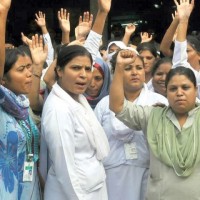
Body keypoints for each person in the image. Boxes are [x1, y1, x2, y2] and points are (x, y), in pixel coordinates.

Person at [109, 49, 200, 199]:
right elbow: (117, 106)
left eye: (185, 87)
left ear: (195, 90)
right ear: (167, 92)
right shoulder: (153, 116)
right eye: (173, 88)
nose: (179, 93)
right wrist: (119, 67)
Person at [95, 52, 168, 200]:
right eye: (127, 68)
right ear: (117, 72)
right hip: (112, 176)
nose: (134, 72)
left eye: (139, 68)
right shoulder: (104, 105)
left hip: (148, 174)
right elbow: (96, 142)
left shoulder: (159, 102)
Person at [41, 45, 110, 200]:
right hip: (73, 193)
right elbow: (64, 166)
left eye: (87, 68)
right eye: (76, 68)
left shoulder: (78, 98)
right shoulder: (58, 109)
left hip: (92, 186)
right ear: (59, 71)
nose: (83, 75)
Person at [0, 2, 46, 197]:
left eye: (29, 68)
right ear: (3, 78)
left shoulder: (22, 105)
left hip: (30, 188)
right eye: (21, 69)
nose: (29, 73)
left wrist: (38, 65)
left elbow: (35, 100)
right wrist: (2, 15)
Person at [172, 0, 200, 98]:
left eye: (187, 51)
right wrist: (183, 20)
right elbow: (179, 62)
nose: (180, 92)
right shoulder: (191, 74)